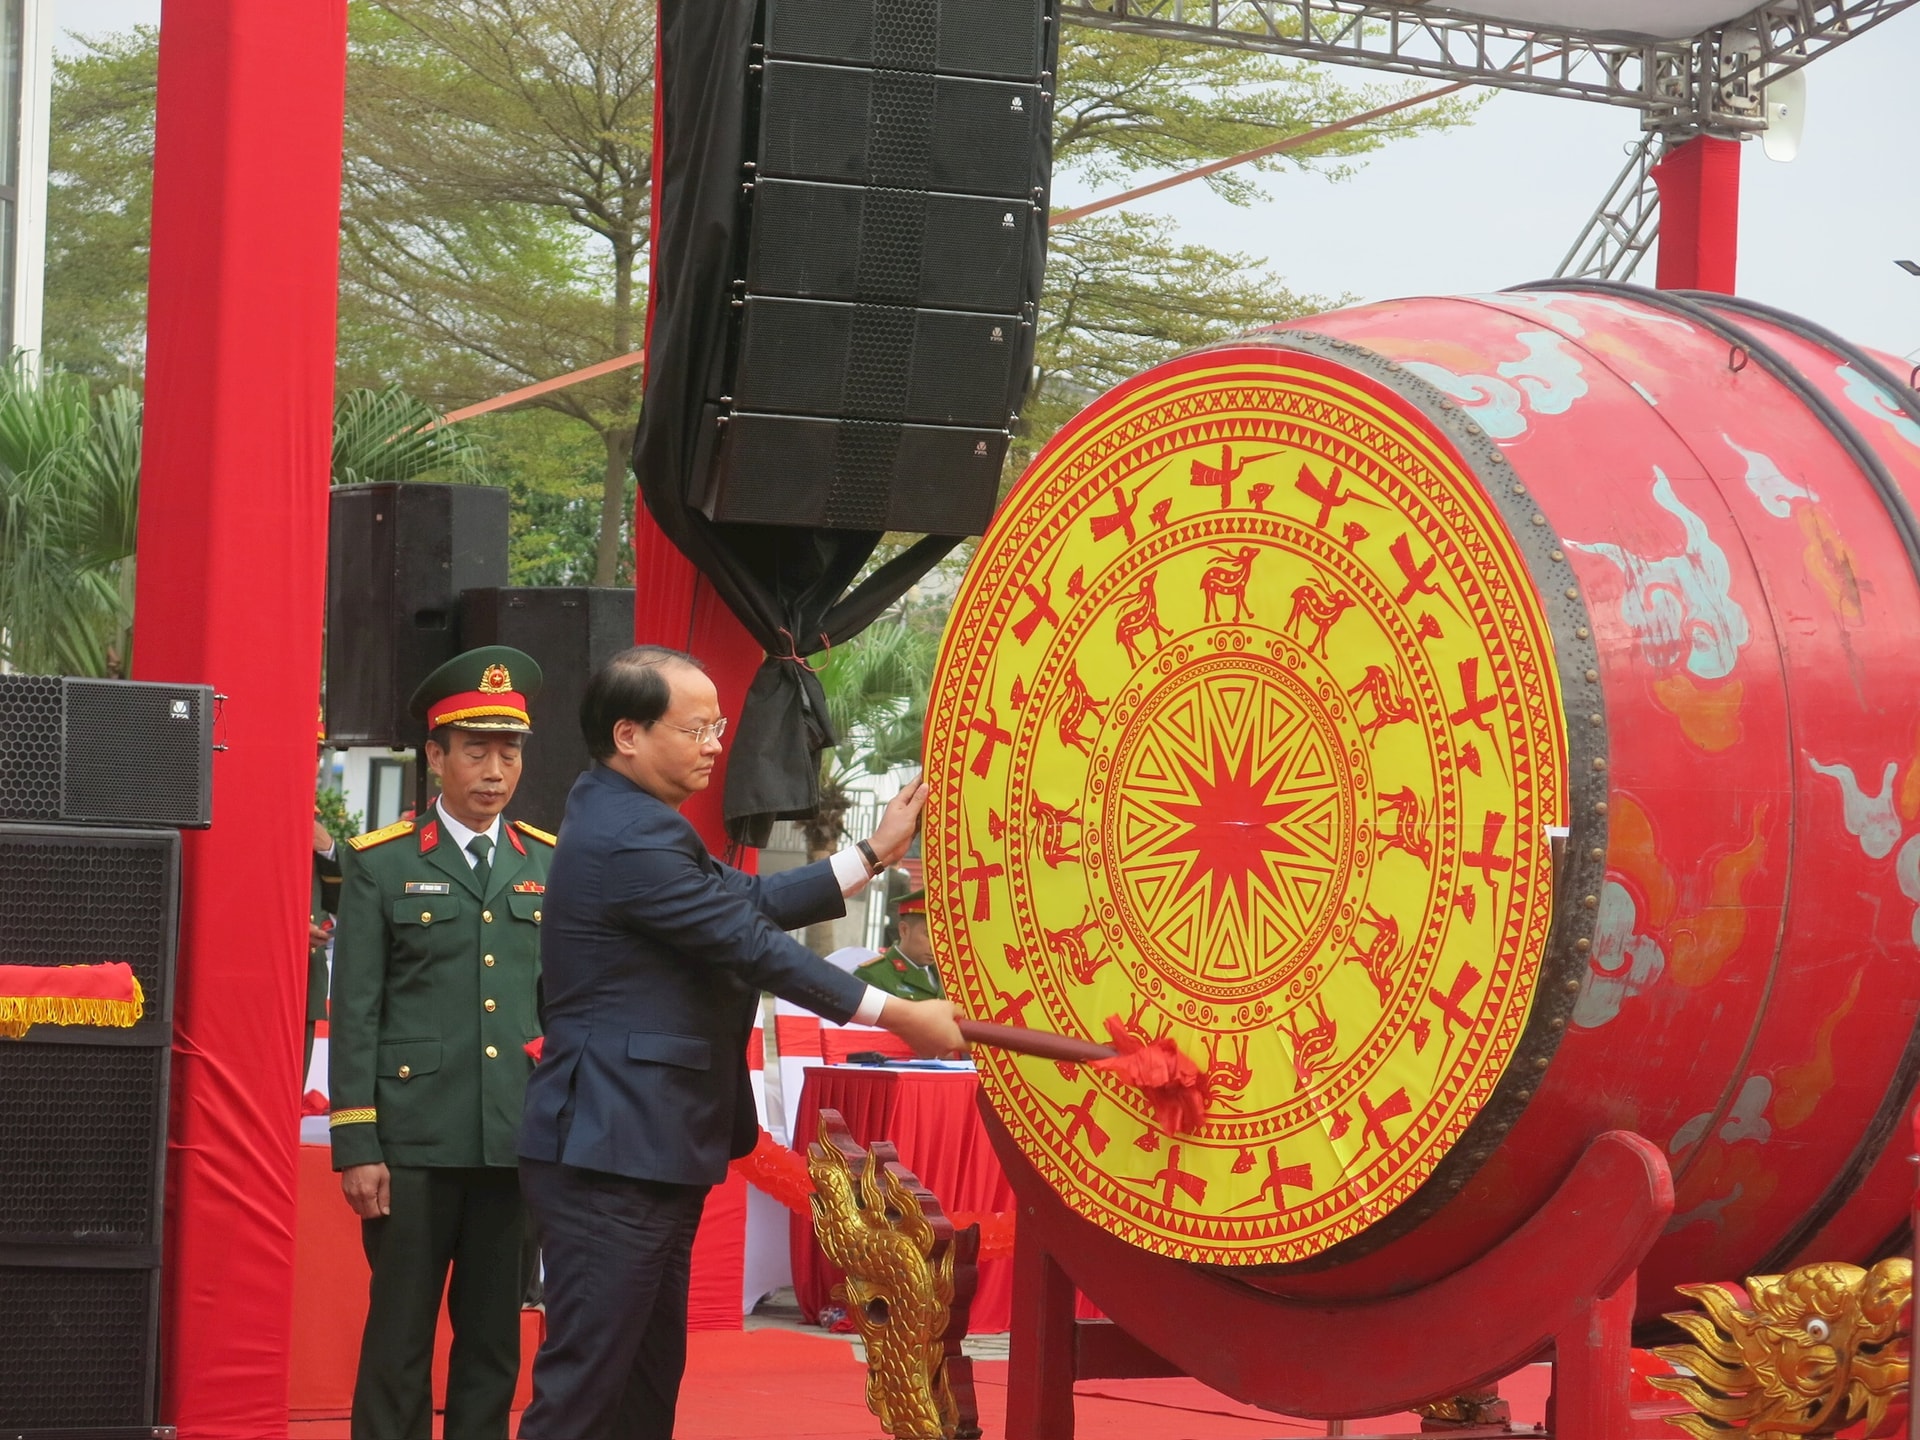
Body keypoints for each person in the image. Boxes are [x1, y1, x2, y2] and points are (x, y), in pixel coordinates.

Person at [517, 645, 965, 1440]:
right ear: (628, 734)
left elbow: (747, 899)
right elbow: (747, 942)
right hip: (610, 1148)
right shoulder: (630, 838)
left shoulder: (632, 818)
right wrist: (897, 1014)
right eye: (695, 728)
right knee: (587, 1384)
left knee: (645, 1378)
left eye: (717, 726)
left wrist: (872, 855)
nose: (716, 743)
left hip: (648, 1142)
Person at [328, 645, 556, 1440]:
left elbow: (554, 1010)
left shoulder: (544, 865)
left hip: (511, 1143)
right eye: (476, 750)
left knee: (493, 1342)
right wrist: (357, 1142)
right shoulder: (381, 866)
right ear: (435, 757)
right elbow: (354, 1008)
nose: (495, 769)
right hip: (412, 1145)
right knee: (398, 1341)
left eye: (510, 750)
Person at [853, 886, 944, 1001]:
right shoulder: (874, 975)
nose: (937, 946)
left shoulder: (947, 975)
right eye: (928, 935)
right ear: (904, 930)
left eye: (942, 936)